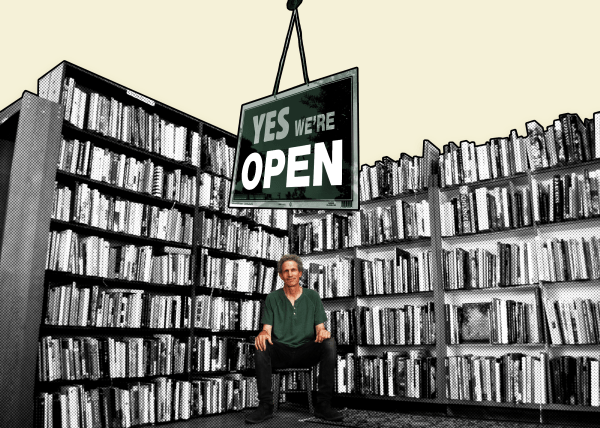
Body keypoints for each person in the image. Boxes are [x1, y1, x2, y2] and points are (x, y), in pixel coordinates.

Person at [245, 254, 344, 424]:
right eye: (286, 271)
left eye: (293, 270)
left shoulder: (312, 296)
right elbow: (266, 330)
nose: (290, 274)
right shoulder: (272, 298)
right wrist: (262, 334)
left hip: (306, 351)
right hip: (281, 351)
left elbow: (320, 328)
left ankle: (323, 405)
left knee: (330, 343)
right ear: (281, 275)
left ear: (300, 273)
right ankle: (265, 405)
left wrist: (323, 332)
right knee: (260, 345)